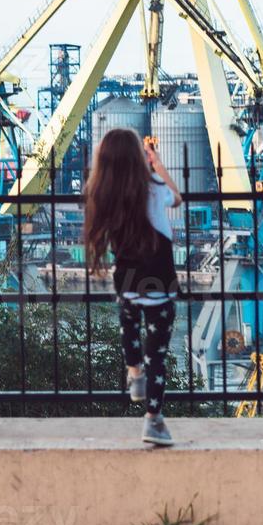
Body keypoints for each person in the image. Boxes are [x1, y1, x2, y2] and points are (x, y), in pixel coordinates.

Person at [83, 127, 183, 446]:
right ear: (139, 159)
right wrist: (158, 165)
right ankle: (153, 420)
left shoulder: (103, 193)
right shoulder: (153, 187)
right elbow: (177, 197)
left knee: (128, 325)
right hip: (160, 278)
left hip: (126, 278)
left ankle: (134, 373)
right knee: (159, 353)